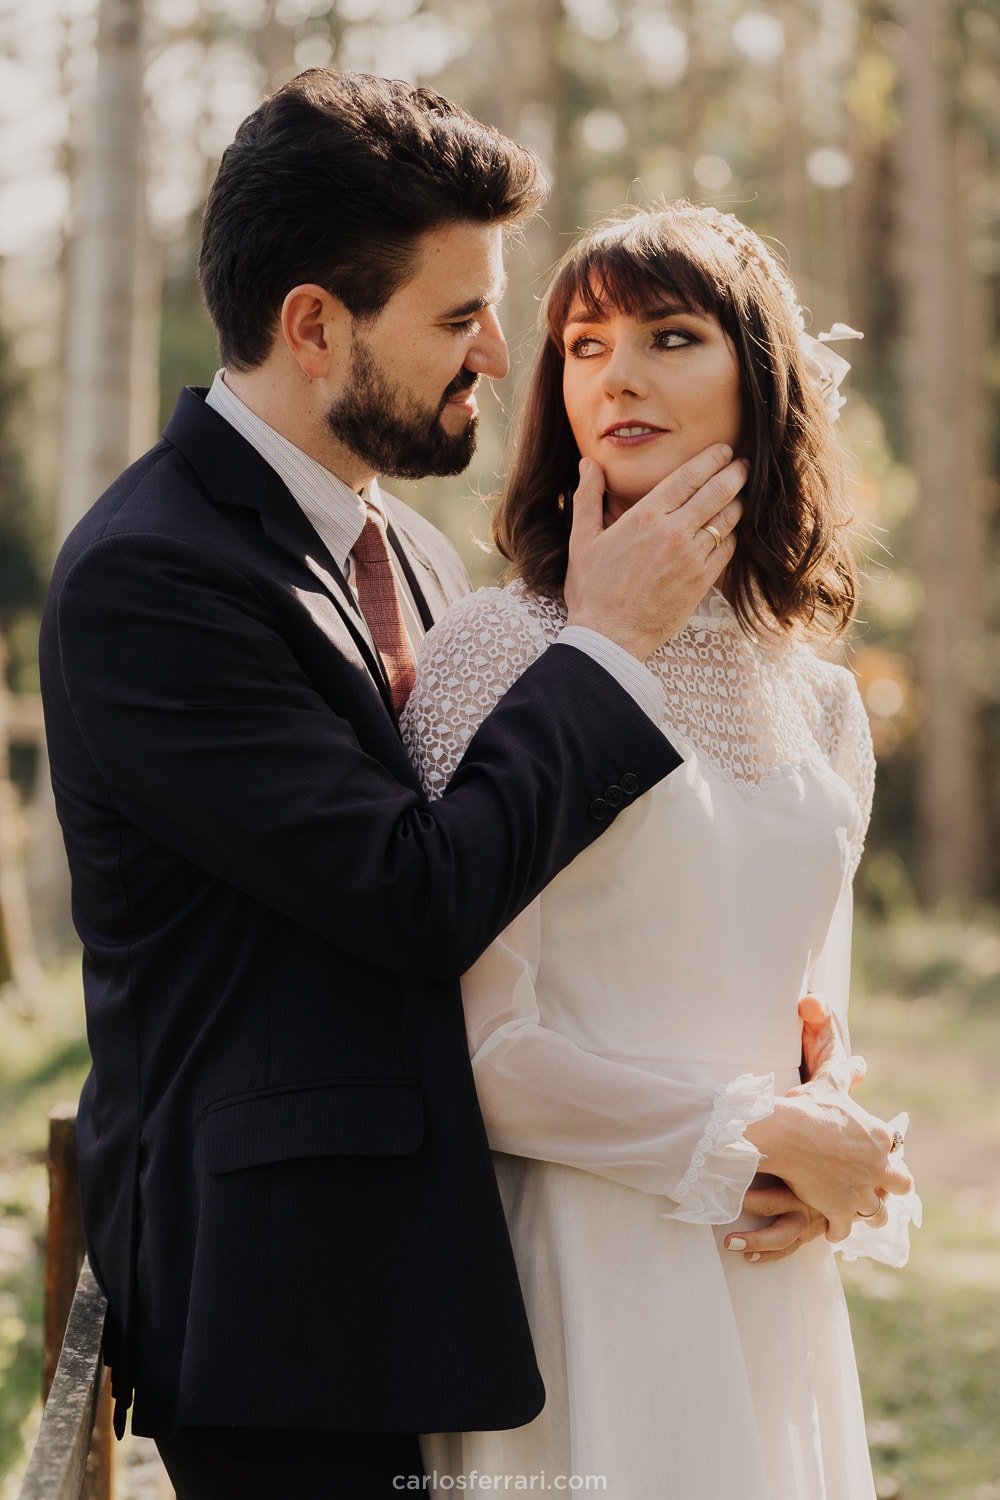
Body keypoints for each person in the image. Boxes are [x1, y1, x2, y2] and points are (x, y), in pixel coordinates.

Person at [38, 78, 758, 1499]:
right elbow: (412, 889)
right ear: (316, 326)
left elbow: (512, 873)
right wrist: (610, 646)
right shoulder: (153, 578)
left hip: (457, 1274)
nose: (502, 349)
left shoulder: (418, 560)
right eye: (456, 316)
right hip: (284, 1311)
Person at [404, 202, 919, 1500]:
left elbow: (808, 1014)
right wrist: (752, 1133)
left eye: (670, 335)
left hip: (766, 1272)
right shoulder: (499, 649)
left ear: (764, 376)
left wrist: (829, 1125)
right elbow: (474, 1057)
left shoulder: (823, 701)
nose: (616, 373)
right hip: (583, 1275)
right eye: (584, 345)